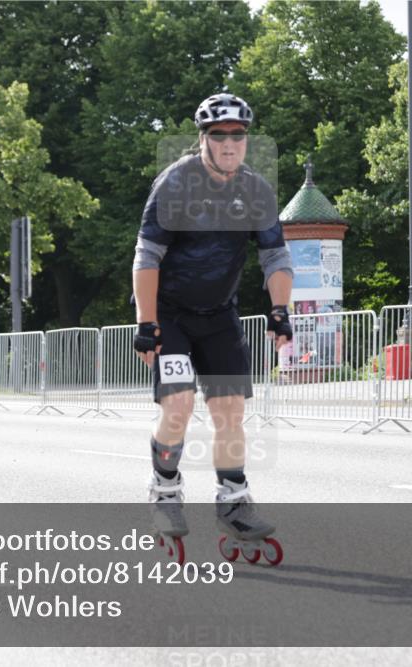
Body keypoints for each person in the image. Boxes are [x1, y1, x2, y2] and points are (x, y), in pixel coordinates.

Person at [132, 93, 293, 555]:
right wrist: (147, 322)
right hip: (169, 312)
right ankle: (164, 488)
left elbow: (275, 255)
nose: (229, 144)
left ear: (247, 140)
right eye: (218, 136)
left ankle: (233, 500)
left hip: (219, 314)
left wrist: (279, 311)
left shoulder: (256, 190)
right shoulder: (175, 183)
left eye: (237, 136)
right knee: (179, 405)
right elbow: (148, 254)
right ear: (203, 138)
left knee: (230, 412)